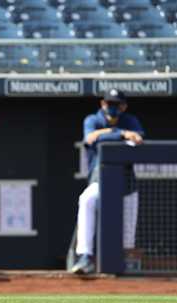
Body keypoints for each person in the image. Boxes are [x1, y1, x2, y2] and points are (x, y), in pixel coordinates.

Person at [71, 89, 145, 275]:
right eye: (108, 103)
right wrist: (119, 133)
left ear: (123, 106)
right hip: (100, 178)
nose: (112, 107)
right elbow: (90, 138)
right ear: (102, 104)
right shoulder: (93, 120)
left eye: (116, 104)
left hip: (127, 181)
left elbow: (138, 139)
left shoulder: (130, 120)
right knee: (87, 199)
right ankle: (85, 257)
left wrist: (106, 134)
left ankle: (126, 262)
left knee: (128, 233)